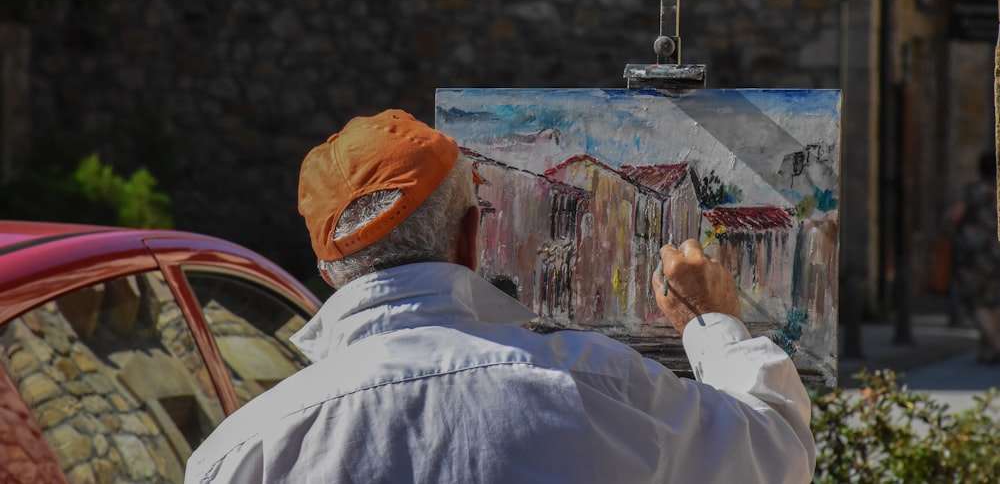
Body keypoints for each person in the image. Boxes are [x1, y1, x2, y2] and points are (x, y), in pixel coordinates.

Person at [185, 109, 816, 483]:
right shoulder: (594, 385)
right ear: (469, 238)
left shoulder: (240, 456)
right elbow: (776, 454)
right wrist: (713, 325)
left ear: (328, 272)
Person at [949, 151, 1000, 363]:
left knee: (976, 301)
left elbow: (955, 216)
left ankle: (996, 345)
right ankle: (986, 350)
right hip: (996, 252)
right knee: (994, 300)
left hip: (976, 254)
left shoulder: (975, 191)